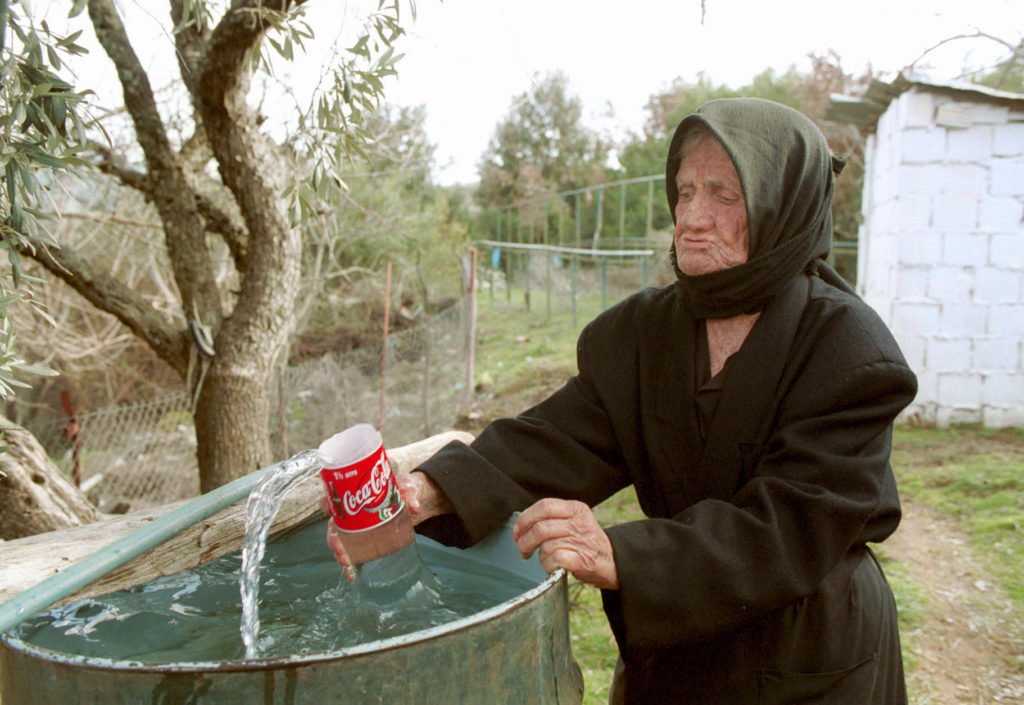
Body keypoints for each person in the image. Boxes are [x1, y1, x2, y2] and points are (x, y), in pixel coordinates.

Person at [328, 98, 917, 704]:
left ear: (782, 207)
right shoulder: (646, 333)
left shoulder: (849, 351)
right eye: (685, 191)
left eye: (723, 195)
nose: (692, 216)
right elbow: (555, 440)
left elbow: (789, 525)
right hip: (680, 648)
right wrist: (427, 493)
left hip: (808, 657)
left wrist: (624, 556)